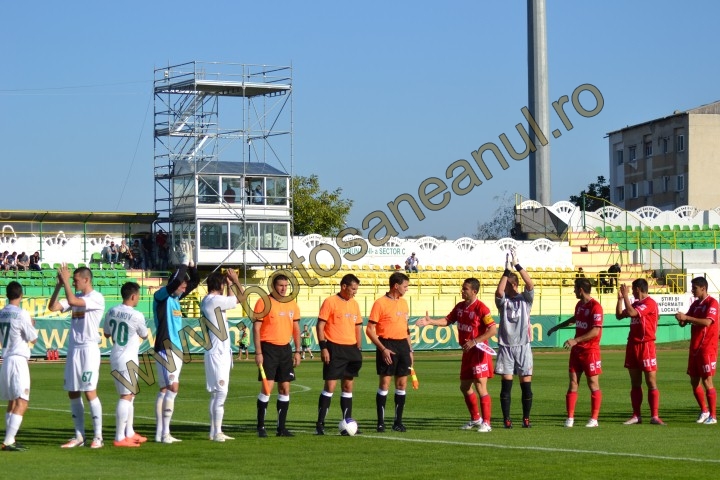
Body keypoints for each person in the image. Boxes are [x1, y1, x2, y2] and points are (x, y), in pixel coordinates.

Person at [416, 278, 497, 433]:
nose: (462, 291)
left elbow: (492, 330)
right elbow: (448, 320)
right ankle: (475, 418)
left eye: (465, 289)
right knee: (464, 386)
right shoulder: (460, 307)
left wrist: (475, 341)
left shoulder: (482, 308)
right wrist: (430, 321)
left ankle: (486, 423)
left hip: (479, 352)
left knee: (480, 386)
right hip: (467, 352)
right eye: (462, 288)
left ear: (474, 291)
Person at [48, 265, 106, 448]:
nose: (73, 282)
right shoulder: (77, 298)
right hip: (74, 348)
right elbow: (53, 307)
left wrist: (65, 282)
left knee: (89, 391)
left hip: (88, 349)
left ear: (86, 279)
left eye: (75, 280)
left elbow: (71, 300)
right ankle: (79, 436)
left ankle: (98, 437)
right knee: (73, 391)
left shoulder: (96, 298)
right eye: (71, 280)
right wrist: (59, 285)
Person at [152, 243, 200, 443]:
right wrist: (181, 265)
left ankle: (160, 433)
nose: (184, 288)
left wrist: (191, 265)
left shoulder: (176, 299)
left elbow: (194, 282)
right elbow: (175, 282)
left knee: (164, 390)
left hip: (175, 349)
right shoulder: (162, 296)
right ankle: (165, 434)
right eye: (182, 285)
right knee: (173, 388)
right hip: (167, 347)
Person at [547, 277, 603, 428]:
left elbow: (595, 331)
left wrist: (576, 340)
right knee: (573, 382)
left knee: (593, 383)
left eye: (574, 288)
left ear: (580, 290)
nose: (573, 291)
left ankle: (594, 419)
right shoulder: (579, 305)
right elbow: (575, 318)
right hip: (577, 351)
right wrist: (558, 326)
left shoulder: (596, 307)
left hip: (590, 351)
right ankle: (570, 418)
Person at [253, 274, 302, 437]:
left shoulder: (292, 304)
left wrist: (297, 351)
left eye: (285, 286)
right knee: (268, 388)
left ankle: (281, 428)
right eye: (280, 285)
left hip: (285, 349)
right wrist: (258, 352)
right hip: (268, 349)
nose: (283, 288)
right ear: (273, 287)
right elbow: (256, 328)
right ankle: (261, 427)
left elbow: (296, 328)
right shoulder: (263, 302)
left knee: (285, 388)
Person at [314, 274, 363, 435]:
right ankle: (320, 424)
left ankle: (347, 422)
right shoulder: (330, 302)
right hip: (334, 347)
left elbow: (357, 327)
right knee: (330, 386)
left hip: (351, 349)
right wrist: (324, 347)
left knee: (348, 386)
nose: (355, 292)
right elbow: (320, 326)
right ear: (344, 286)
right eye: (353, 289)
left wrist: (359, 348)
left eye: (356, 289)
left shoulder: (354, 304)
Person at [102, 282, 149, 447]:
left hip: (116, 354)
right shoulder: (137, 315)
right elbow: (144, 334)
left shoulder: (112, 310)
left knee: (131, 395)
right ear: (133, 296)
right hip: (127, 358)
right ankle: (119, 437)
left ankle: (129, 432)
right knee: (126, 396)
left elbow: (107, 332)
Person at [201, 268, 245, 442]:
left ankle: (215, 431)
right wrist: (235, 280)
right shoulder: (214, 300)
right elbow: (241, 298)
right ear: (219, 284)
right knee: (221, 392)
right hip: (217, 351)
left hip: (220, 350)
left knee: (217, 393)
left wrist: (229, 285)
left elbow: (230, 300)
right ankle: (216, 431)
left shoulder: (211, 300)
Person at [366, 271, 413, 432]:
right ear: (396, 286)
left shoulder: (404, 303)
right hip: (387, 344)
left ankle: (397, 422)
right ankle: (380, 422)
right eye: (405, 286)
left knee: (402, 384)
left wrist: (410, 350)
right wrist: (383, 349)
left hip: (403, 346)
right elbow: (370, 330)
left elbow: (406, 329)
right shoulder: (380, 303)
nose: (407, 289)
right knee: (385, 383)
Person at [495, 249, 535, 429]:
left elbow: (530, 284)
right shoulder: (503, 302)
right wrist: (505, 271)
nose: (506, 288)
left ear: (515, 285)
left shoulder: (525, 299)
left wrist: (517, 264)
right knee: (506, 385)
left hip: (523, 346)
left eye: (509, 285)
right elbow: (499, 291)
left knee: (526, 385)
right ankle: (507, 419)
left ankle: (526, 418)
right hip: (506, 347)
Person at [615, 279, 664, 425]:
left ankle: (654, 416)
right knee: (635, 383)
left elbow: (631, 312)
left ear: (638, 289)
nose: (631, 292)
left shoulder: (649, 303)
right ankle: (636, 415)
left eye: (633, 290)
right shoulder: (636, 304)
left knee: (650, 381)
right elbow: (619, 315)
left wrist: (625, 297)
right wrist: (619, 299)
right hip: (632, 345)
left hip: (646, 345)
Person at [675, 276, 719, 425]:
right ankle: (704, 411)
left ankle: (713, 416)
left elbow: (707, 322)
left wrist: (686, 317)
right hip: (694, 347)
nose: (692, 290)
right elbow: (686, 321)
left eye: (694, 288)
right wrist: (682, 319)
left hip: (707, 347)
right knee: (694, 381)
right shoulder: (695, 304)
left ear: (703, 288)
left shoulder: (712, 303)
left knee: (707, 381)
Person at [0, 281, 38, 451]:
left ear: (8, 295)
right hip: (18, 359)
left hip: (6, 359)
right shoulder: (22, 314)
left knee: (12, 401)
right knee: (22, 400)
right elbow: (33, 338)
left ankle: (11, 438)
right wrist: (32, 324)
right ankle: (8, 441)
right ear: (21, 295)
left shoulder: (1, 313)